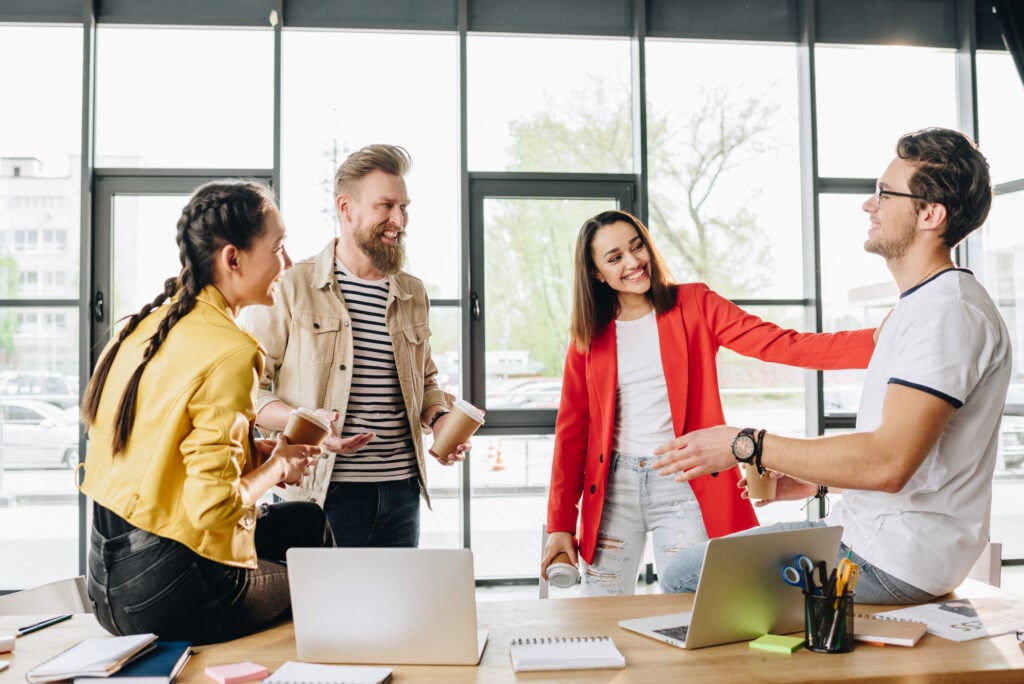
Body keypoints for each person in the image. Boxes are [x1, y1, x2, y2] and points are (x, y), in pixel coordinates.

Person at [656, 128, 1011, 604]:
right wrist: (814, 479)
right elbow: (915, 457)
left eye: (885, 194)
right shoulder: (922, 306)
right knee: (688, 568)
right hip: (876, 536)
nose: (870, 205)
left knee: (684, 576)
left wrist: (746, 444)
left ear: (930, 214)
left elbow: (888, 462)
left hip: (890, 559)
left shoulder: (946, 312)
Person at [541, 209, 878, 596]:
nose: (633, 263)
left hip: (684, 480)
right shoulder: (588, 336)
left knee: (688, 605)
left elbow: (783, 344)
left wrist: (880, 341)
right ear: (598, 273)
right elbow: (571, 433)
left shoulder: (695, 303)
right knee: (600, 610)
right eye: (615, 258)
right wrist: (560, 524)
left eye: (637, 248)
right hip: (615, 490)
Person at [79, 181, 335, 644]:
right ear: (232, 259)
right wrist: (279, 467)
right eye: (277, 248)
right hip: (171, 596)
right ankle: (321, 664)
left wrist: (256, 453)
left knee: (305, 522)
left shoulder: (141, 328)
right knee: (321, 579)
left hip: (104, 584)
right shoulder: (232, 350)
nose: (288, 263)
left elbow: (164, 458)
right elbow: (212, 509)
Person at [242, 144, 464, 548]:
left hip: (401, 493)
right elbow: (248, 392)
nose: (399, 220)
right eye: (386, 206)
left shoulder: (413, 292)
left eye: (404, 207)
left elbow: (427, 381)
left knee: (394, 610)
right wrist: (305, 422)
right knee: (318, 611)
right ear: (347, 208)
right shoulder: (292, 286)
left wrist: (441, 420)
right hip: (318, 494)